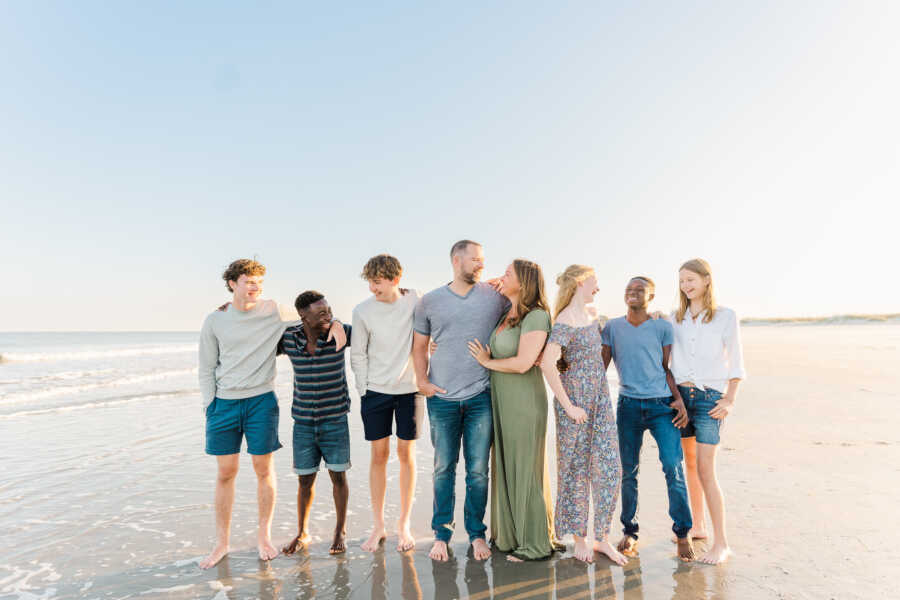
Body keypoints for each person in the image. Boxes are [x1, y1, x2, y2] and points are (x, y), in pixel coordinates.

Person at [198, 260, 345, 568]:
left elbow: (315, 314)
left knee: (264, 471)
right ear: (232, 283)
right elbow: (207, 367)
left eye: (259, 283)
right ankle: (221, 542)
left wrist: (335, 324)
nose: (255, 287)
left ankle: (263, 536)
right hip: (224, 404)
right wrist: (209, 406)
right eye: (249, 281)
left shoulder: (273, 310)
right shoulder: (215, 320)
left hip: (261, 401)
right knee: (225, 473)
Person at [412, 240, 509, 562]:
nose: (481, 265)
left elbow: (521, 317)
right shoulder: (430, 301)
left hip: (481, 395)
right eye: (476, 260)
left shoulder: (495, 297)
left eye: (483, 260)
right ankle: (441, 534)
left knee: (479, 471)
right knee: (443, 468)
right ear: (457, 260)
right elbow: (419, 346)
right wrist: (422, 381)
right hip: (441, 399)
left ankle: (477, 534)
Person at [600, 276, 695, 562]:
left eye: (640, 289)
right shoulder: (612, 328)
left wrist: (678, 399)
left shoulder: (662, 326)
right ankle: (630, 532)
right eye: (629, 289)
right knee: (628, 471)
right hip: (628, 406)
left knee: (672, 466)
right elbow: (600, 368)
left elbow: (667, 367)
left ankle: (682, 532)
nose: (633, 292)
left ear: (651, 296)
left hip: (661, 406)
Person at [467, 259, 554, 561]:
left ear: (525, 282)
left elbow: (523, 362)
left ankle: (534, 543)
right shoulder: (508, 312)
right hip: (502, 400)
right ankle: (510, 536)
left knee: (525, 469)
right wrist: (499, 282)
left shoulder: (537, 316)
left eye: (508, 273)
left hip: (524, 401)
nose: (501, 277)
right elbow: (489, 285)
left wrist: (487, 362)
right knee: (507, 465)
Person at [540, 265, 627, 566]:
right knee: (575, 470)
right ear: (579, 282)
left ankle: (602, 537)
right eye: (594, 281)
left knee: (610, 468)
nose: (598, 287)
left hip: (600, 401)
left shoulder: (592, 312)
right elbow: (547, 364)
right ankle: (579, 538)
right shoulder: (564, 319)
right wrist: (567, 406)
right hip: (574, 405)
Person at [669, 258, 745, 564]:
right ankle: (697, 526)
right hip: (680, 399)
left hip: (710, 399)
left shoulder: (725, 316)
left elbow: (736, 361)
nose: (686, 286)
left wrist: (730, 399)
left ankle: (721, 543)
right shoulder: (675, 318)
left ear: (706, 280)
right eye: (682, 281)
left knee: (705, 470)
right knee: (688, 464)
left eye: (691, 280)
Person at [350, 254, 424, 553]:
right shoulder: (362, 311)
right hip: (375, 392)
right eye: (369, 282)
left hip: (410, 390)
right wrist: (365, 389)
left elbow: (445, 303)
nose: (372, 288)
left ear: (395, 280)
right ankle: (378, 524)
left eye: (377, 282)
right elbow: (358, 353)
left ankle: (403, 524)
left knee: (406, 453)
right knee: (378, 455)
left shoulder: (414, 300)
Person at [280, 291, 353, 556]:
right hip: (303, 423)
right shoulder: (289, 338)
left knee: (338, 476)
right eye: (320, 313)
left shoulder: (341, 333)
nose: (327, 316)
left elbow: (376, 334)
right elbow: (257, 340)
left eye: (329, 311)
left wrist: (336, 322)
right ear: (303, 315)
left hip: (335, 420)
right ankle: (302, 533)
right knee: (304, 481)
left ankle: (339, 530)